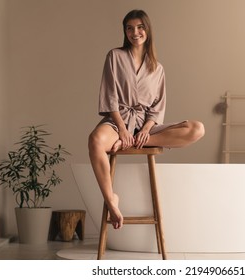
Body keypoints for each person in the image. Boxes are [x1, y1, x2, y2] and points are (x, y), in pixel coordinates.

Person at [88, 9, 205, 230]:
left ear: (147, 30)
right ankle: (111, 199)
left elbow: (157, 109)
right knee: (95, 140)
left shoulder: (157, 68)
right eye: (130, 28)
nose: (135, 32)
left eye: (140, 27)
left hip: (145, 128)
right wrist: (123, 131)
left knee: (197, 129)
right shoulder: (114, 56)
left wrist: (145, 131)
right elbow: (110, 97)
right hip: (118, 122)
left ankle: (136, 141)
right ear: (125, 31)